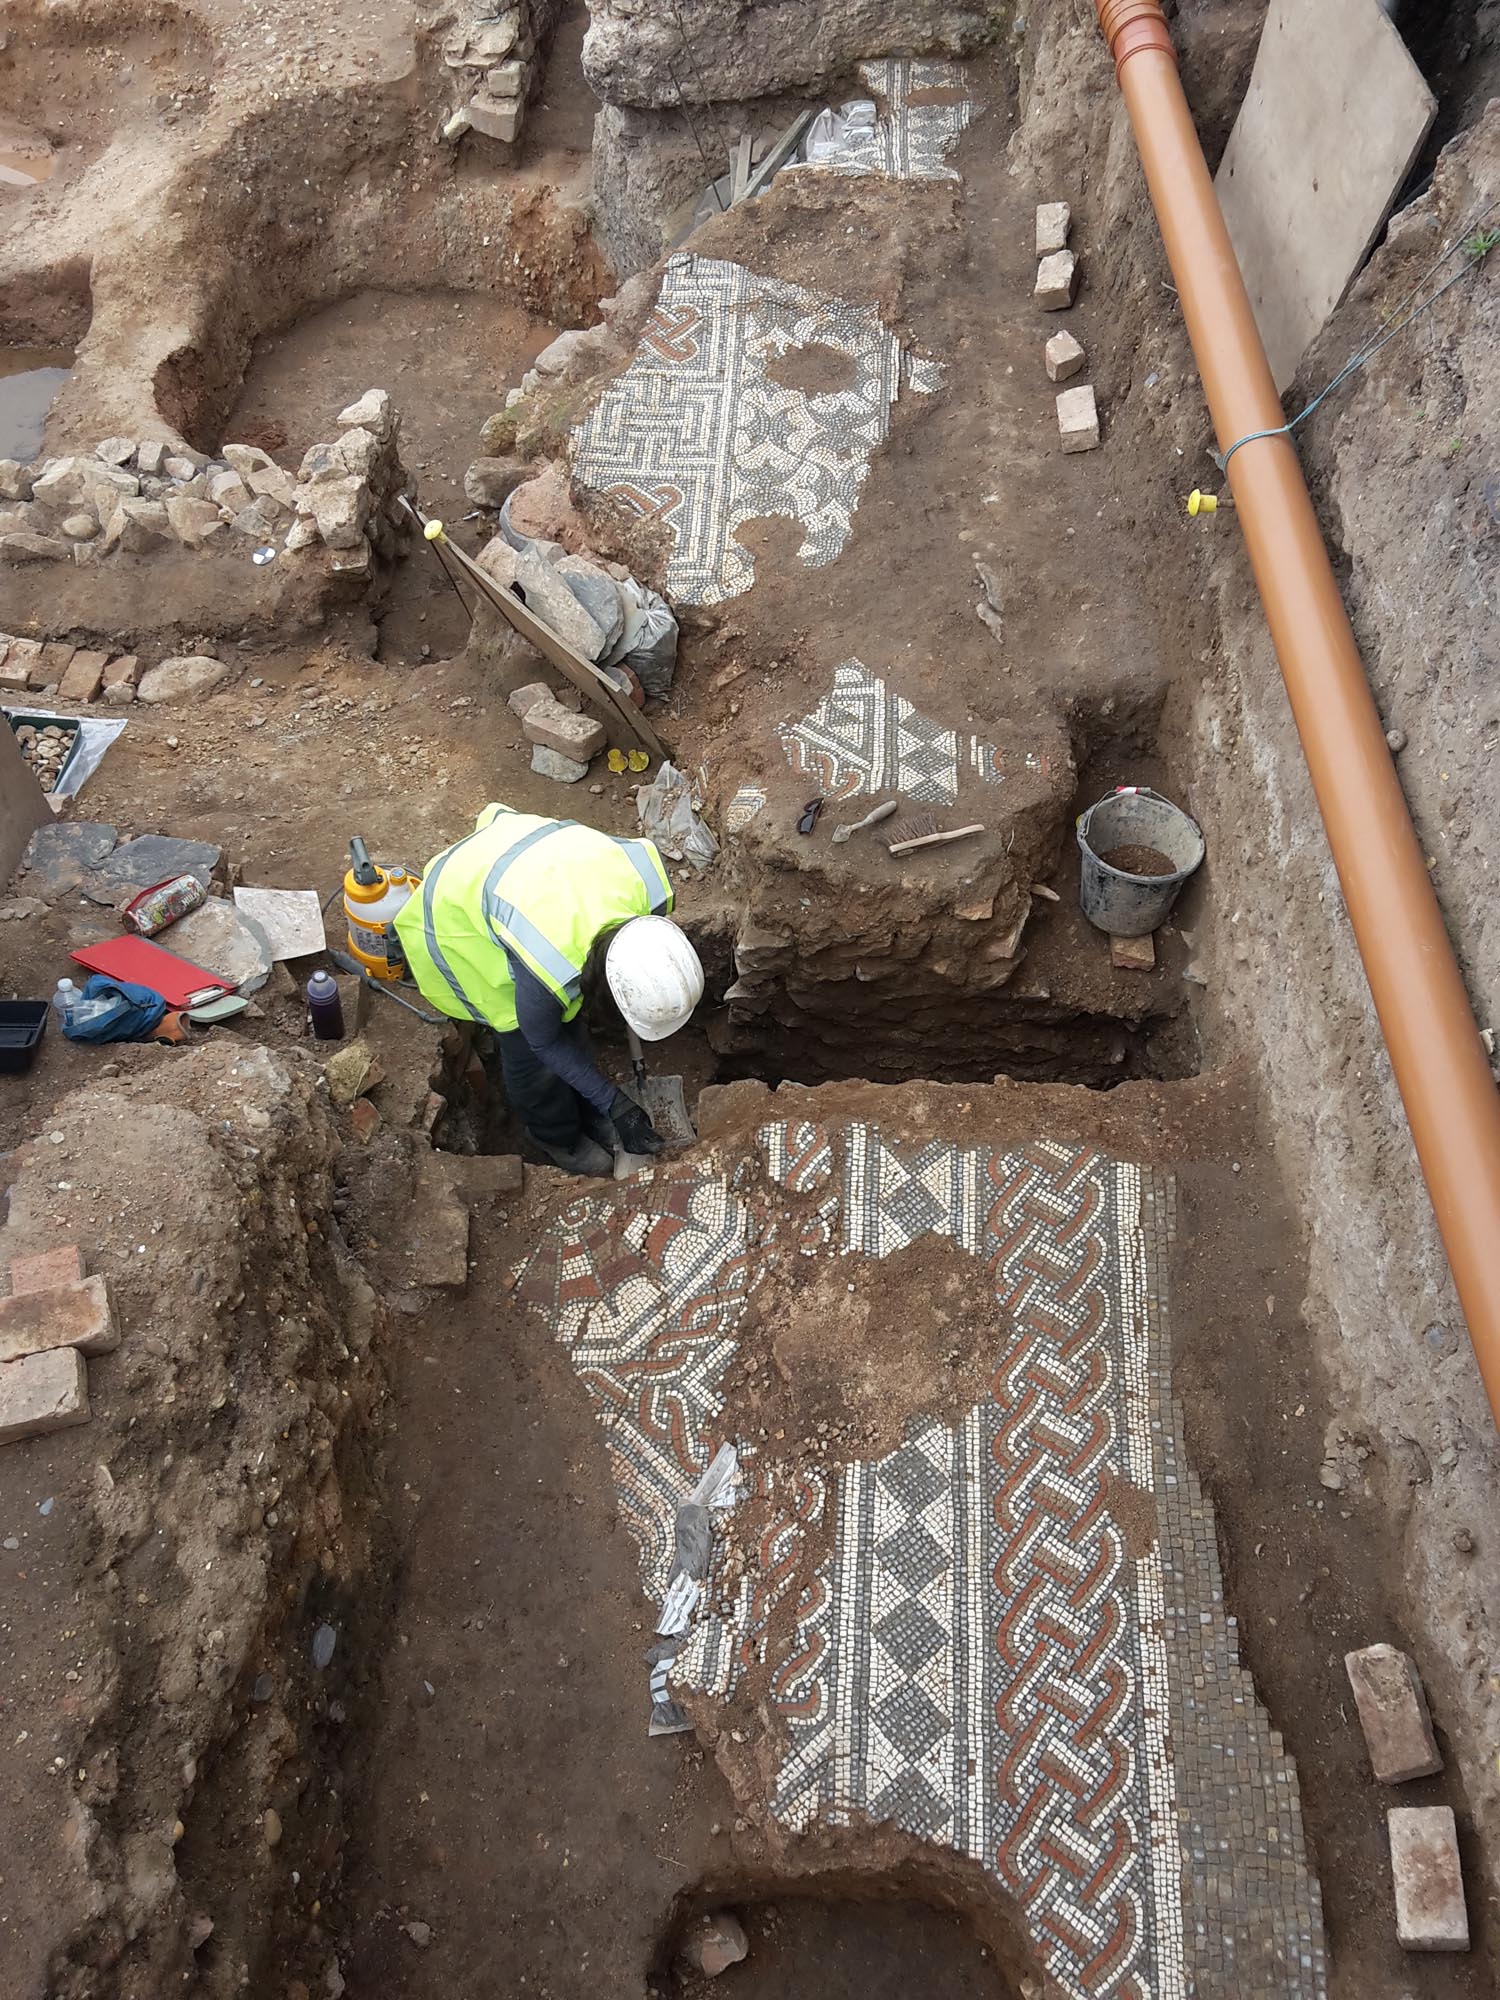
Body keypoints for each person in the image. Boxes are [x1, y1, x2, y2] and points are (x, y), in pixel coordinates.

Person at [393, 804, 705, 1175]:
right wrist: (616, 1103)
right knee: (528, 1050)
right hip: (458, 912)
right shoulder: (548, 962)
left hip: (526, 861)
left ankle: (592, 1110)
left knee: (568, 1026)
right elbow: (543, 1040)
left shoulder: (646, 893)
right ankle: (559, 1139)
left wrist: (610, 1104)